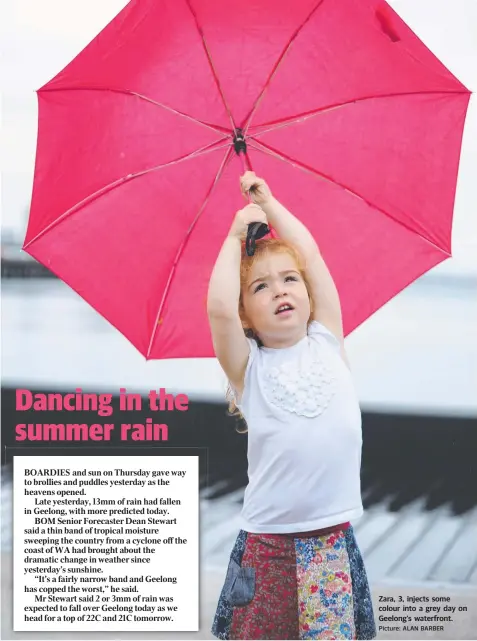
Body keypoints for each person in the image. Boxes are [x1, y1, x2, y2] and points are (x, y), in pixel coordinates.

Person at [208, 171, 376, 640]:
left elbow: (313, 256)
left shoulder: (327, 340)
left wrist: (271, 203)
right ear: (247, 314)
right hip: (269, 547)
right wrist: (234, 234)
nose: (280, 289)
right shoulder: (250, 371)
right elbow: (218, 309)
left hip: (331, 542)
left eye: (289, 279)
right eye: (260, 287)